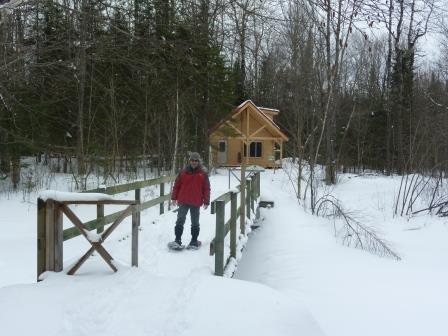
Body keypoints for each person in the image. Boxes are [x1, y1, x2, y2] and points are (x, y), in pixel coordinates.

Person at [170, 152, 210, 249]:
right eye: (192, 160)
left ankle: (194, 241)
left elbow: (206, 188)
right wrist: (174, 198)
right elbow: (176, 185)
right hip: (183, 201)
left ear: (198, 161)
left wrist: (206, 201)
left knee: (195, 222)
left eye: (196, 160)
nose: (194, 162)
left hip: (196, 202)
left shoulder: (203, 174)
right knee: (180, 220)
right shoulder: (183, 172)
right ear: (190, 161)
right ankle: (177, 240)